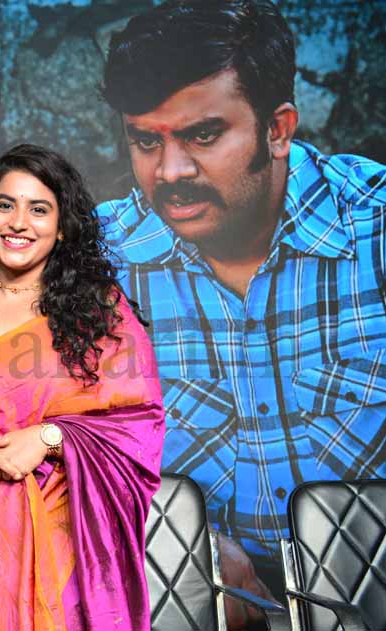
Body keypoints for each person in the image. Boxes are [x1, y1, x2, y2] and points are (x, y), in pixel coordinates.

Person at [97, 0, 386, 613]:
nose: (171, 172)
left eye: (203, 135)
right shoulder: (95, 265)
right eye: (145, 140)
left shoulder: (376, 233)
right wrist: (176, 547)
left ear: (278, 129)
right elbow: (40, 455)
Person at [0, 144, 165, 630]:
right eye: (5, 205)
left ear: (61, 226)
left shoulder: (101, 314)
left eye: (39, 209)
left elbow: (139, 423)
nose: (18, 222)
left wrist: (47, 438)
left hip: (71, 533)